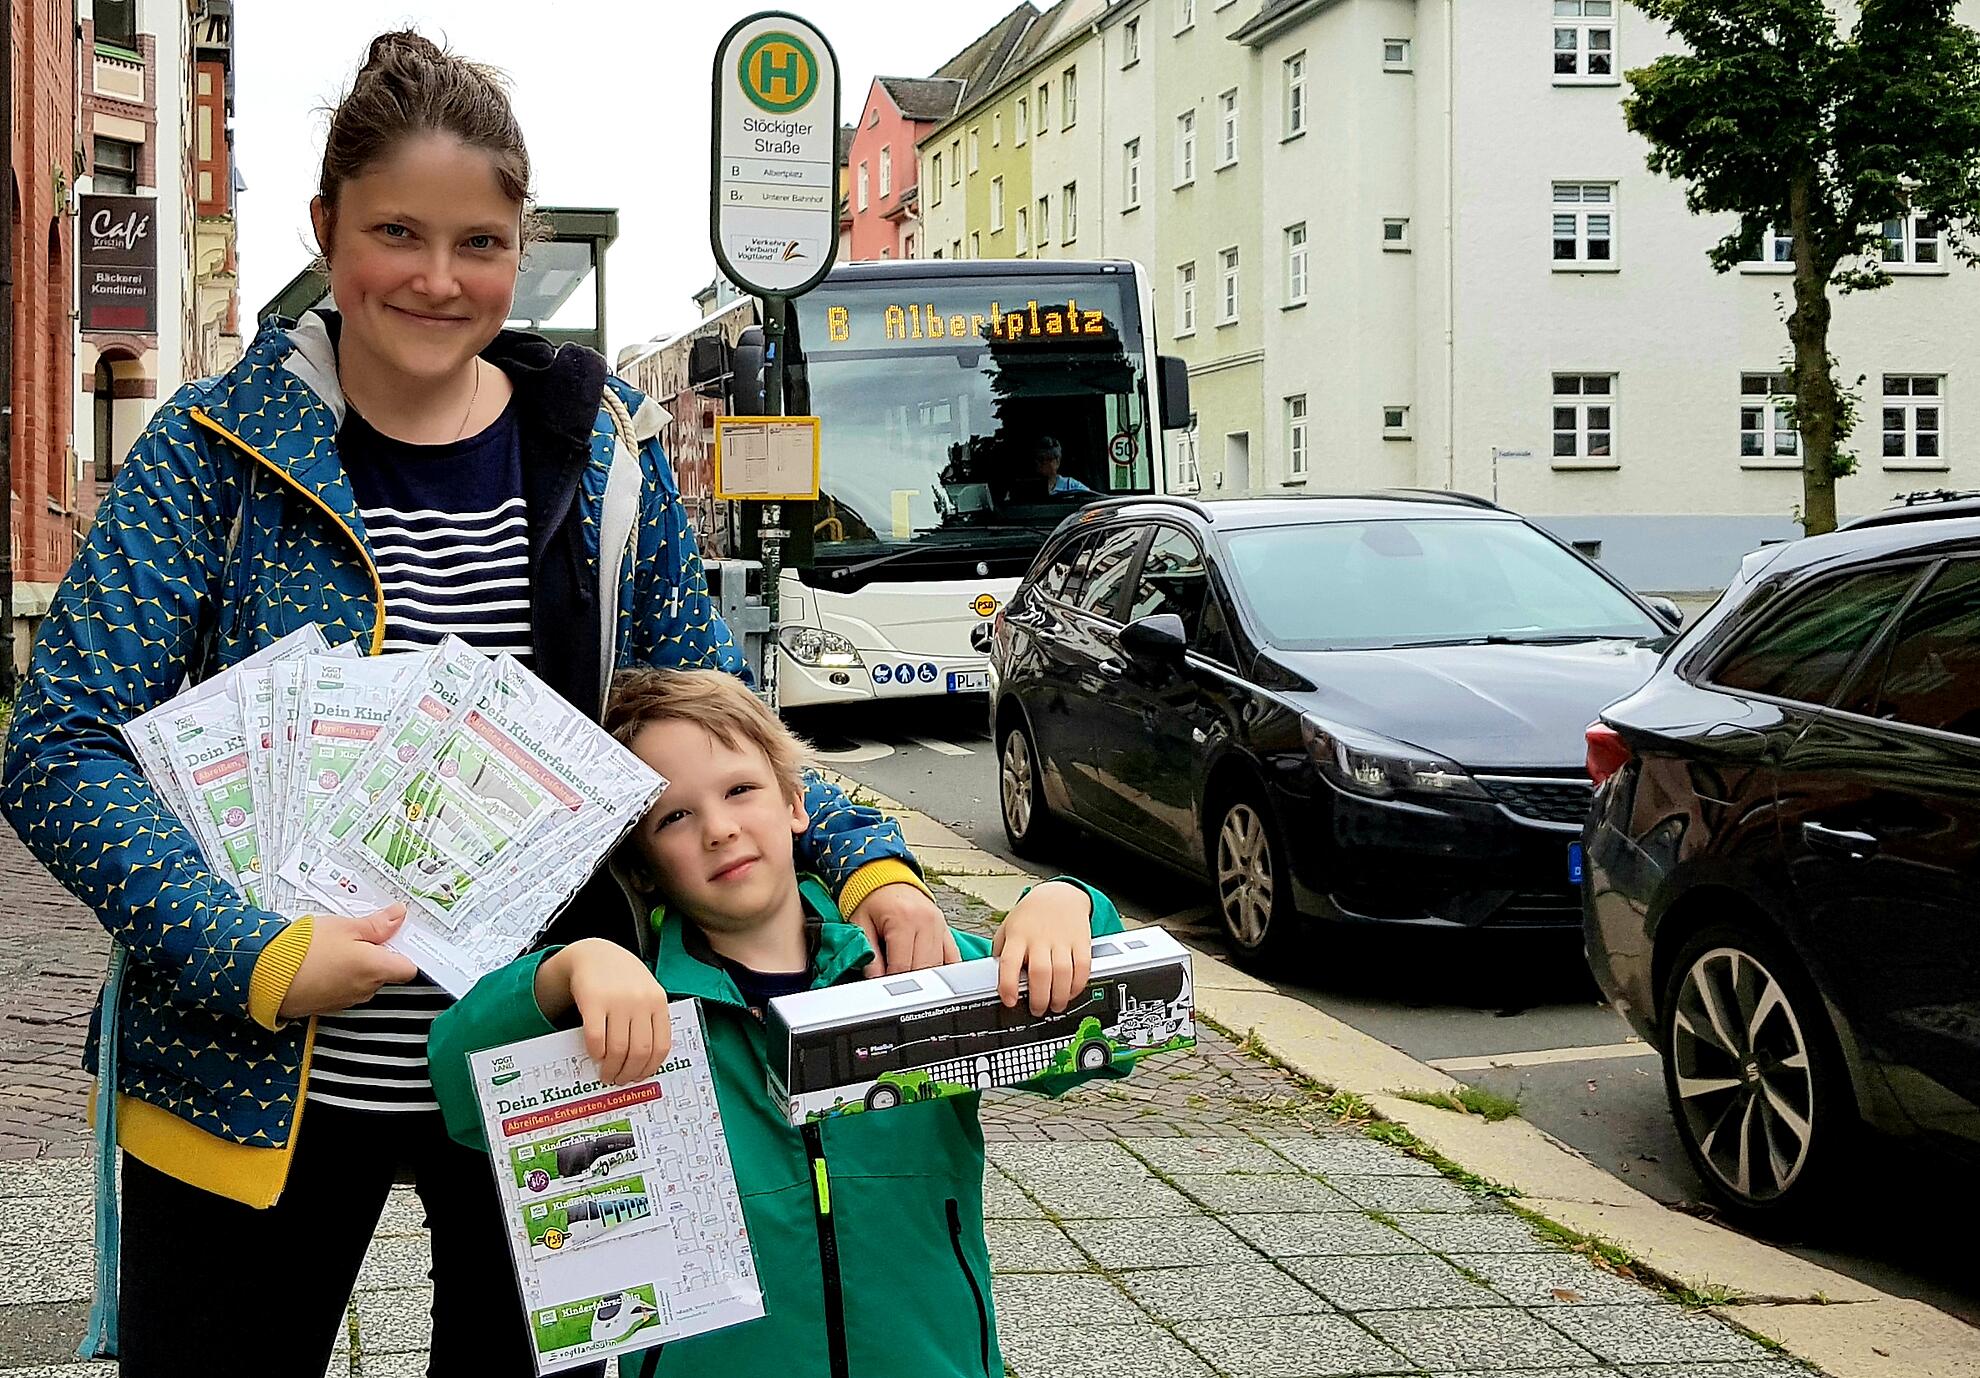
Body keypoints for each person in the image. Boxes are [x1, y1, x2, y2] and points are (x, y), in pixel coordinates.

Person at [0, 31, 954, 1378]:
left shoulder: (602, 457)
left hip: (568, 1041)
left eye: (482, 242)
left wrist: (865, 867)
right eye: (398, 231)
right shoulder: (210, 454)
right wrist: (255, 954)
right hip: (248, 1061)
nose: (441, 281)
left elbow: (717, 726)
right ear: (326, 228)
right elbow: (58, 746)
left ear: (524, 244)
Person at [429, 668, 1134, 1378]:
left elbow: (1116, 1024)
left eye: (740, 790)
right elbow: (460, 1086)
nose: (720, 828)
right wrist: (566, 970)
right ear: (641, 870)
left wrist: (1066, 905)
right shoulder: (635, 1017)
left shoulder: (911, 977)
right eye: (674, 817)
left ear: (798, 803)